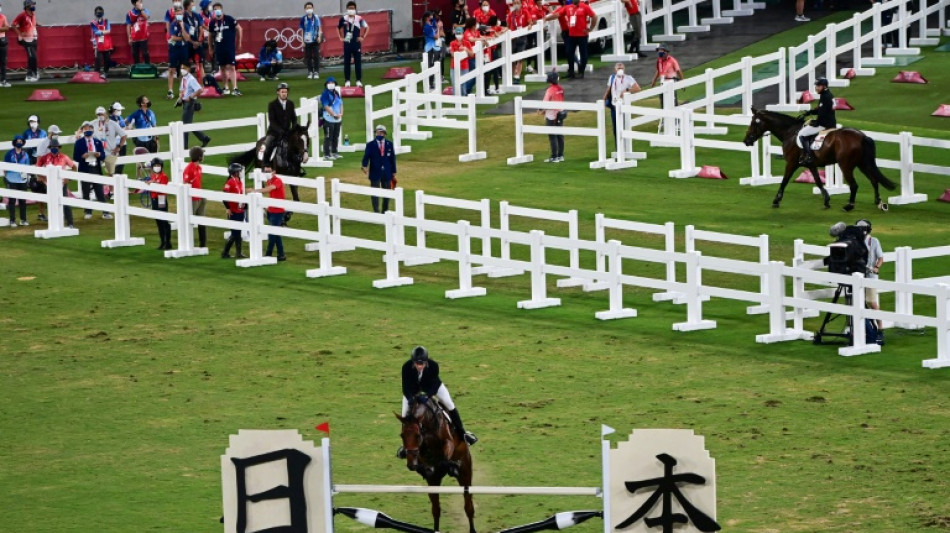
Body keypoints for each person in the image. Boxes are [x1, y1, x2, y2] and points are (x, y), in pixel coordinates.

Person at [396, 345, 478, 459]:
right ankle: (405, 447)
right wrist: (410, 399)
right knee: (405, 416)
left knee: (450, 405)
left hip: (432, 387)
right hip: (413, 390)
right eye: (417, 364)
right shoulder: (406, 368)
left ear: (426, 362)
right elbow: (406, 387)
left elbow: (434, 386)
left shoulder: (434, 366)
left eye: (422, 364)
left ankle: (463, 434)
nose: (419, 366)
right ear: (413, 362)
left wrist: (428, 396)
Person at [36, 138, 77, 229]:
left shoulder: (64, 157)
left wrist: (68, 178)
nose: (54, 148)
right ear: (50, 148)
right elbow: (37, 168)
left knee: (65, 202)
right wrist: (43, 179)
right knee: (52, 203)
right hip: (49, 184)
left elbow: (74, 167)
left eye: (56, 147)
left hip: (62, 183)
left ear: (59, 147)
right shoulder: (45, 157)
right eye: (52, 147)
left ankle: (70, 223)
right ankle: (54, 223)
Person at [73, 121, 110, 221]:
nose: (87, 130)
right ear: (82, 130)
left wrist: (99, 155)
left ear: (92, 129)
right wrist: (82, 156)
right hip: (85, 168)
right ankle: (88, 211)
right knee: (85, 191)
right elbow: (75, 157)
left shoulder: (97, 142)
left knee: (99, 191)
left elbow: (103, 155)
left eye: (89, 128)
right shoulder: (79, 143)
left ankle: (105, 211)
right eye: (85, 128)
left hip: (95, 167)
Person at [856, 219, 884, 344]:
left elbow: (881, 257)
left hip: (871, 275)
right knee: (857, 302)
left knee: (871, 302)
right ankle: (863, 329)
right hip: (859, 275)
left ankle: (880, 329)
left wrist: (876, 267)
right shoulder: (856, 242)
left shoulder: (874, 241)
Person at [248, 171, 287, 261]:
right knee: (276, 233)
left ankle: (268, 254)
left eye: (269, 171)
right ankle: (281, 254)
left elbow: (269, 189)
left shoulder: (278, 181)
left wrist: (254, 190)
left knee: (272, 233)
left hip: (278, 211)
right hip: (271, 210)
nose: (266, 173)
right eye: (265, 171)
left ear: (274, 172)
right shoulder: (269, 181)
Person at [208, 2, 243, 96]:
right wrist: (210, 47)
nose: (217, 11)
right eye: (215, 9)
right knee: (222, 67)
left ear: (222, 9)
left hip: (229, 47)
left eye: (218, 9)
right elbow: (210, 36)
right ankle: (225, 87)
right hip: (219, 47)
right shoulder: (212, 22)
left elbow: (239, 29)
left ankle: (235, 88)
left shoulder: (229, 19)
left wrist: (239, 42)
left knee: (231, 66)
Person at [798, 77, 835, 166]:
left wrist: (816, 122)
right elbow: (820, 110)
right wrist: (809, 112)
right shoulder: (825, 95)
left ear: (824, 86)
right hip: (826, 121)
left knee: (802, 134)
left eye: (818, 86)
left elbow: (823, 113)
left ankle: (809, 156)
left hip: (825, 124)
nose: (816, 88)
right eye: (816, 86)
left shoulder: (826, 97)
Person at [361, 124, 396, 213]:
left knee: (387, 193)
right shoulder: (370, 145)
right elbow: (366, 157)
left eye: (381, 133)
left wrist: (394, 171)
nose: (379, 134)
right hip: (375, 171)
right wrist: (364, 166)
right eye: (378, 132)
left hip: (387, 172)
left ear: (384, 134)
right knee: (375, 193)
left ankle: (385, 211)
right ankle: (376, 212)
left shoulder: (389, 144)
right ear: (375, 133)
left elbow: (392, 158)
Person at [603, 62, 641, 145]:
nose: (620, 70)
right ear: (615, 70)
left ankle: (625, 146)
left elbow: (637, 89)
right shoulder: (612, 77)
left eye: (622, 68)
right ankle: (618, 147)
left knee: (624, 126)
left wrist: (627, 90)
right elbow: (608, 89)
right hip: (614, 106)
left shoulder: (628, 78)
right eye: (618, 69)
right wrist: (604, 99)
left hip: (624, 106)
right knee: (616, 128)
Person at [262, 81, 297, 167]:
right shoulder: (272, 105)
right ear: (278, 92)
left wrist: (294, 127)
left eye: (285, 92)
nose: (284, 94)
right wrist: (280, 130)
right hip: (274, 131)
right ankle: (266, 164)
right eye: (282, 92)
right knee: (268, 143)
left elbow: (294, 118)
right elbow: (272, 121)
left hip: (287, 132)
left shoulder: (290, 104)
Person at [176, 61, 210, 149]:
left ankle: (184, 147)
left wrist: (190, 97)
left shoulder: (191, 79)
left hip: (189, 103)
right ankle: (204, 138)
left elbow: (199, 90)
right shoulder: (184, 78)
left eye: (183, 68)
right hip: (185, 103)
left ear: (188, 69)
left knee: (184, 126)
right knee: (188, 125)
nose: (182, 70)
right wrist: (180, 97)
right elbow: (182, 89)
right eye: (181, 68)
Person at [337, 1, 368, 88]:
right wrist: (340, 37)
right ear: (347, 9)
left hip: (356, 43)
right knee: (347, 62)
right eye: (350, 8)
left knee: (358, 62)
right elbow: (338, 28)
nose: (351, 10)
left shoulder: (359, 18)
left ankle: (358, 80)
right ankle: (347, 80)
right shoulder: (343, 19)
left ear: (355, 9)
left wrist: (363, 37)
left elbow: (367, 27)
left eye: (353, 8)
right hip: (347, 43)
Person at [91, 106, 127, 177]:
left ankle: (110, 188)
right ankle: (100, 187)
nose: (100, 116)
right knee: (95, 172)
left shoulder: (113, 124)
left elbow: (124, 135)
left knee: (111, 173)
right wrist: (78, 132)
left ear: (106, 114)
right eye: (98, 115)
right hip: (98, 152)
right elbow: (83, 126)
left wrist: (119, 147)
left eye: (102, 114)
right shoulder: (93, 123)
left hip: (110, 152)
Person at [3, 135, 30, 227]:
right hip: (11, 179)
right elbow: (5, 167)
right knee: (12, 200)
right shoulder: (9, 154)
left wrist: (27, 177)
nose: (19, 143)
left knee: (23, 200)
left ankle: (23, 219)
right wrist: (6, 178)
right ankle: (12, 220)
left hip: (22, 180)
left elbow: (27, 167)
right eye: (18, 141)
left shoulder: (25, 154)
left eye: (21, 141)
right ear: (15, 142)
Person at [221, 162, 246, 259]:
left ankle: (238, 253)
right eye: (239, 171)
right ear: (235, 172)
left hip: (240, 211)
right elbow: (224, 196)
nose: (240, 172)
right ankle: (225, 252)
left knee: (238, 233)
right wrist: (227, 208)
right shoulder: (230, 182)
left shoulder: (239, 181)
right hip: (233, 211)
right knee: (235, 233)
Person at [183, 146, 207, 247]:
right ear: (199, 157)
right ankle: (188, 243)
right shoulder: (189, 169)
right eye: (202, 155)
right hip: (192, 199)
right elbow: (185, 183)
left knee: (202, 220)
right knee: (190, 221)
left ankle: (203, 243)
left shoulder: (199, 168)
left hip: (200, 197)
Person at [539, 71, 565, 163]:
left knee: (552, 136)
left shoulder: (549, 90)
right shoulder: (561, 89)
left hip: (551, 116)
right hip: (560, 114)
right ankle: (561, 155)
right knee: (560, 135)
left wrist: (541, 110)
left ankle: (554, 156)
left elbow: (545, 103)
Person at [166, 5, 191, 99]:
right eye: (177, 13)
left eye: (180, 12)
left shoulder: (186, 25)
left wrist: (182, 28)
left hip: (183, 49)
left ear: (182, 13)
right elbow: (173, 37)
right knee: (171, 69)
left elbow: (188, 38)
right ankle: (170, 91)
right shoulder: (172, 25)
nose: (178, 14)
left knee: (183, 70)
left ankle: (183, 90)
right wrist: (182, 38)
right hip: (174, 49)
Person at [148, 157, 172, 250]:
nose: (157, 167)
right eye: (155, 166)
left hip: (161, 199)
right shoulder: (153, 176)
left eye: (158, 165)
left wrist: (153, 184)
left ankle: (168, 242)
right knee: (158, 221)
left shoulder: (164, 176)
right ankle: (162, 242)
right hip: (154, 199)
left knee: (164, 221)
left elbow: (162, 188)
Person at [12, 0, 37, 81]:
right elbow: (13, 25)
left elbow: (31, 23)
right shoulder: (22, 15)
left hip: (33, 38)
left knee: (33, 57)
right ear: (27, 6)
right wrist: (20, 34)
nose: (33, 6)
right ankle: (31, 75)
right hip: (26, 39)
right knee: (32, 57)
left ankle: (32, 74)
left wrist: (38, 24)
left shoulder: (33, 14)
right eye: (32, 5)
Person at [320, 77, 343, 160]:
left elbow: (341, 103)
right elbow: (326, 106)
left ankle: (334, 152)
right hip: (328, 118)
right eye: (329, 83)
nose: (331, 84)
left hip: (337, 119)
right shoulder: (325, 94)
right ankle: (326, 154)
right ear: (326, 85)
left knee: (335, 136)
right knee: (328, 136)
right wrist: (334, 114)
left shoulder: (336, 93)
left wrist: (341, 114)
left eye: (332, 83)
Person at [448, 26, 474, 96]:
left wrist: (466, 49)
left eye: (460, 33)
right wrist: (459, 53)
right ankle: (456, 101)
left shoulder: (467, 43)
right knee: (454, 84)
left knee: (463, 85)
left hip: (464, 67)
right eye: (457, 33)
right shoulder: (452, 43)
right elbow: (452, 54)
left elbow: (472, 54)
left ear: (462, 34)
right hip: (454, 67)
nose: (458, 35)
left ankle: (463, 99)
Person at [506, 1, 527, 84]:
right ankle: (513, 75)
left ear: (521, 4)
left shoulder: (525, 12)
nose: (516, 4)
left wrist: (529, 25)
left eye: (518, 2)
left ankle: (517, 76)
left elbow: (530, 22)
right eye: (515, 3)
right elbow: (508, 26)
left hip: (522, 37)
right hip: (513, 38)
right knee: (512, 58)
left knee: (519, 58)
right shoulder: (511, 14)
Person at [422, 10, 444, 90]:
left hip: (436, 46)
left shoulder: (432, 23)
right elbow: (436, 36)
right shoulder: (426, 27)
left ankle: (435, 81)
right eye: (431, 16)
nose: (432, 17)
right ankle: (430, 83)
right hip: (430, 47)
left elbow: (436, 22)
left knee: (437, 63)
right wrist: (438, 29)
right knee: (430, 65)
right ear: (427, 18)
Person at [90, 6, 114, 79]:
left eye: (100, 11)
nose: (99, 13)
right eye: (97, 11)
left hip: (106, 44)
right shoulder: (93, 22)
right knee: (98, 59)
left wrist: (101, 32)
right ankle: (96, 73)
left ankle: (105, 73)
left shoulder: (106, 21)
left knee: (107, 59)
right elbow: (95, 32)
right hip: (98, 44)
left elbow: (109, 31)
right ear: (95, 13)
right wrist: (104, 32)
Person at [300, 2, 322, 79]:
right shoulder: (303, 18)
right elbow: (302, 30)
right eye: (307, 8)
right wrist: (302, 41)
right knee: (308, 57)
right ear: (305, 9)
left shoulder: (316, 17)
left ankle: (316, 72)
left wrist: (319, 36)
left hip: (315, 39)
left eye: (310, 7)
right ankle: (310, 71)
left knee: (316, 56)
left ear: (313, 8)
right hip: (307, 40)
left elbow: (319, 27)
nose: (309, 9)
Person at [126, 0, 151, 65]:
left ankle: (148, 66)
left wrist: (141, 10)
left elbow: (146, 17)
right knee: (135, 54)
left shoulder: (145, 10)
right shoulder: (129, 13)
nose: (141, 3)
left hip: (143, 37)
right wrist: (129, 37)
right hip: (134, 38)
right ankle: (137, 67)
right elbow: (128, 26)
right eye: (139, 1)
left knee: (145, 53)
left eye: (141, 1)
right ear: (134, 3)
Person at [109, 102, 129, 176]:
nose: (120, 111)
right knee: (113, 162)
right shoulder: (110, 119)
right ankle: (115, 178)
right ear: (113, 110)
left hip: (123, 143)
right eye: (118, 110)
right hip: (115, 143)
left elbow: (123, 127)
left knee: (122, 161)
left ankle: (118, 176)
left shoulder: (120, 118)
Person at [0, 3, 11, 87]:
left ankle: (3, 80)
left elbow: (7, 27)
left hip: (2, 40)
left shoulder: (2, 17)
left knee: (3, 61)